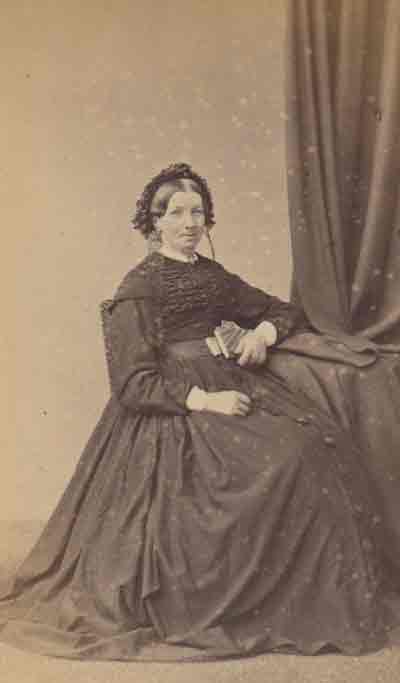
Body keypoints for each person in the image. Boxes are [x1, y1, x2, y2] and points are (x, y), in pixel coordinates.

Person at [0, 162, 399, 661]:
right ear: (154, 222)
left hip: (233, 382)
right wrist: (206, 401)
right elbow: (133, 383)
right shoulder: (139, 287)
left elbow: (282, 310)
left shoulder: (212, 276)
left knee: (311, 445)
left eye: (198, 213)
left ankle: (304, 600)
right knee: (276, 465)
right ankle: (239, 600)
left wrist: (260, 335)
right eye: (176, 213)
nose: (189, 223)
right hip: (173, 408)